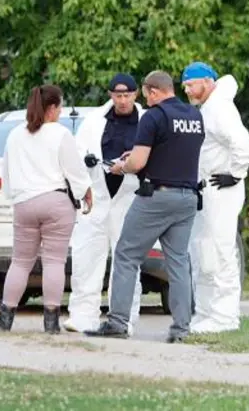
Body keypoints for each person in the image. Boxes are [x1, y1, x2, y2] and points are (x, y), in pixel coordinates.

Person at [84, 70, 205, 343]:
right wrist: (140, 157)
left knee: (126, 254)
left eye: (146, 94)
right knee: (178, 263)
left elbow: (137, 164)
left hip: (156, 197)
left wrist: (121, 166)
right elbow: (173, 151)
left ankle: (117, 323)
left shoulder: (154, 116)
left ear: (152, 91)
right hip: (187, 198)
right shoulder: (195, 117)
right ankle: (182, 328)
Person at [0, 84, 93, 334]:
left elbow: (7, 172)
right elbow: (74, 170)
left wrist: (15, 196)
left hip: (25, 204)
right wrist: (85, 192)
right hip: (56, 202)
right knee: (54, 263)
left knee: (19, 262)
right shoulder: (60, 134)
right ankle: (51, 323)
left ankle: (5, 319)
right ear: (51, 108)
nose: (60, 112)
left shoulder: (15, 134)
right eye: (59, 107)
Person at [63, 73, 145, 335]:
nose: (122, 100)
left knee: (127, 259)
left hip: (129, 197)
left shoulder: (146, 120)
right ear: (110, 95)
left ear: (135, 95)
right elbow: (77, 152)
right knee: (87, 256)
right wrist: (86, 164)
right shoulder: (94, 121)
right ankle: (83, 315)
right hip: (96, 197)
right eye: (118, 96)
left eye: (127, 95)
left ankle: (124, 318)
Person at [181, 61, 249, 333]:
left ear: (207, 82)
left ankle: (225, 317)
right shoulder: (208, 108)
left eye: (190, 85)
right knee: (203, 251)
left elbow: (242, 145)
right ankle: (205, 313)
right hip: (206, 189)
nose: (187, 90)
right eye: (185, 86)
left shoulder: (220, 108)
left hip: (221, 189)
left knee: (221, 251)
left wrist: (235, 174)